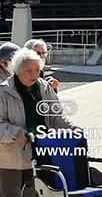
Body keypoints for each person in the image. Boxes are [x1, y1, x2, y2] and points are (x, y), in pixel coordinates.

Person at [0, 49, 77, 197]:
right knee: (11, 193)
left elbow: (55, 116)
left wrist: (71, 128)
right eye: (29, 71)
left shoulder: (44, 87)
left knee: (39, 192)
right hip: (12, 157)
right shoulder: (4, 91)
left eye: (37, 69)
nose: (34, 74)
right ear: (17, 70)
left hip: (42, 152)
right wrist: (16, 133)